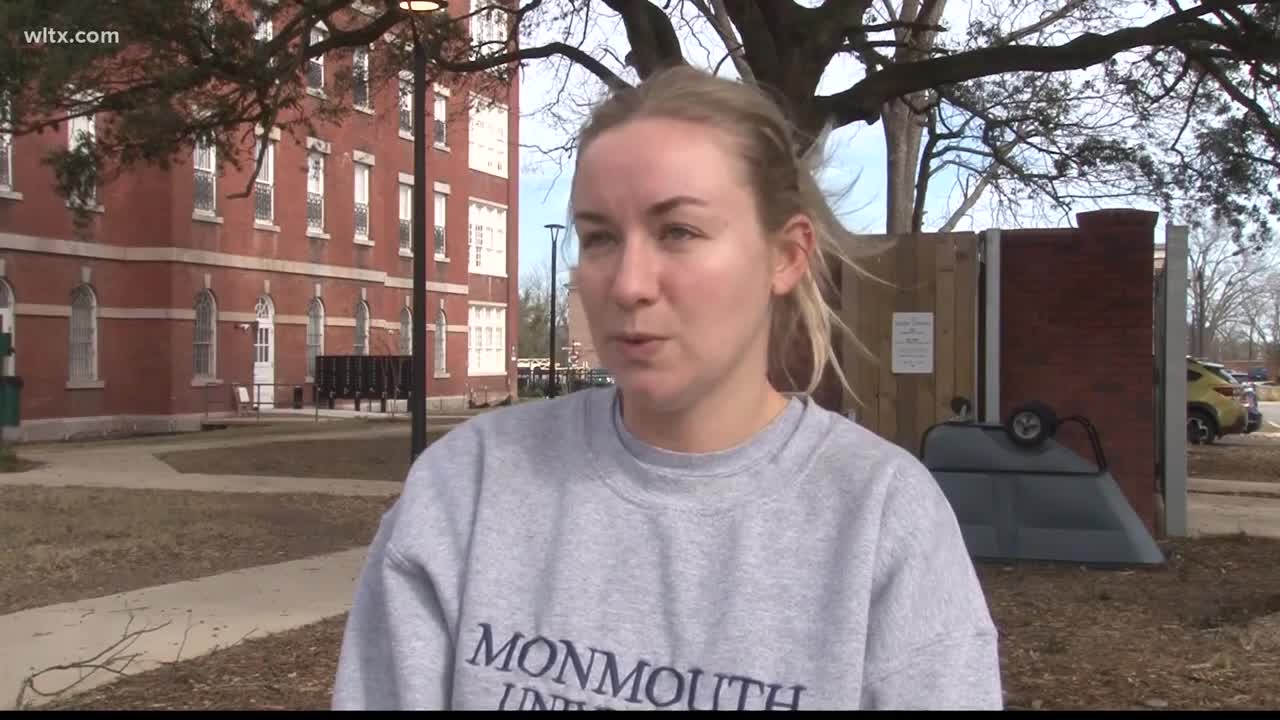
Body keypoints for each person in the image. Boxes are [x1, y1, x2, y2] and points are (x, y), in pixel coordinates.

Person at [332, 65, 1002, 711]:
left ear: (786, 255)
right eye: (598, 238)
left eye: (678, 231)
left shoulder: (882, 520)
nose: (628, 283)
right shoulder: (467, 488)